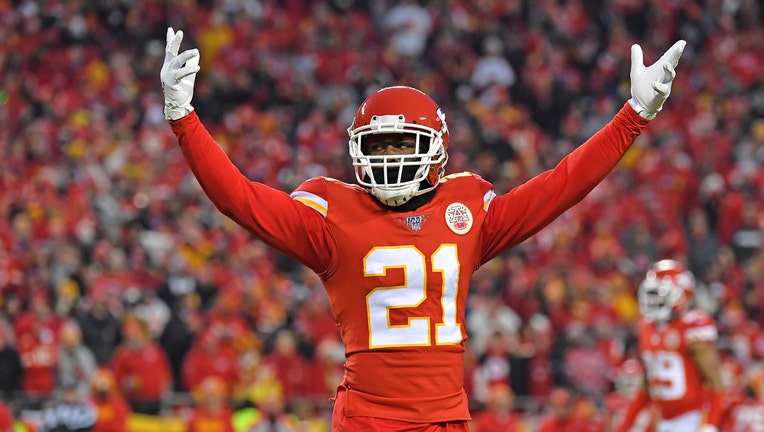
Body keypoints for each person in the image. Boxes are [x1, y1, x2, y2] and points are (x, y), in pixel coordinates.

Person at [160, 26, 686, 431]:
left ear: (434, 147)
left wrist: (633, 115)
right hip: (369, 418)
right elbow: (239, 197)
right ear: (356, 150)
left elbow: (559, 186)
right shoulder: (330, 216)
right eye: (378, 146)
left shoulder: (466, 208)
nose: (390, 159)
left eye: (402, 144)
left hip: (445, 417)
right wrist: (182, 116)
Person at [616, 260, 724, 432]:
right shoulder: (646, 327)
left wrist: (711, 424)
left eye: (660, 293)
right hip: (662, 419)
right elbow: (647, 384)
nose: (653, 299)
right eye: (651, 293)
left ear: (681, 294)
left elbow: (716, 383)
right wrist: (626, 424)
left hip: (692, 417)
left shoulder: (692, 326)